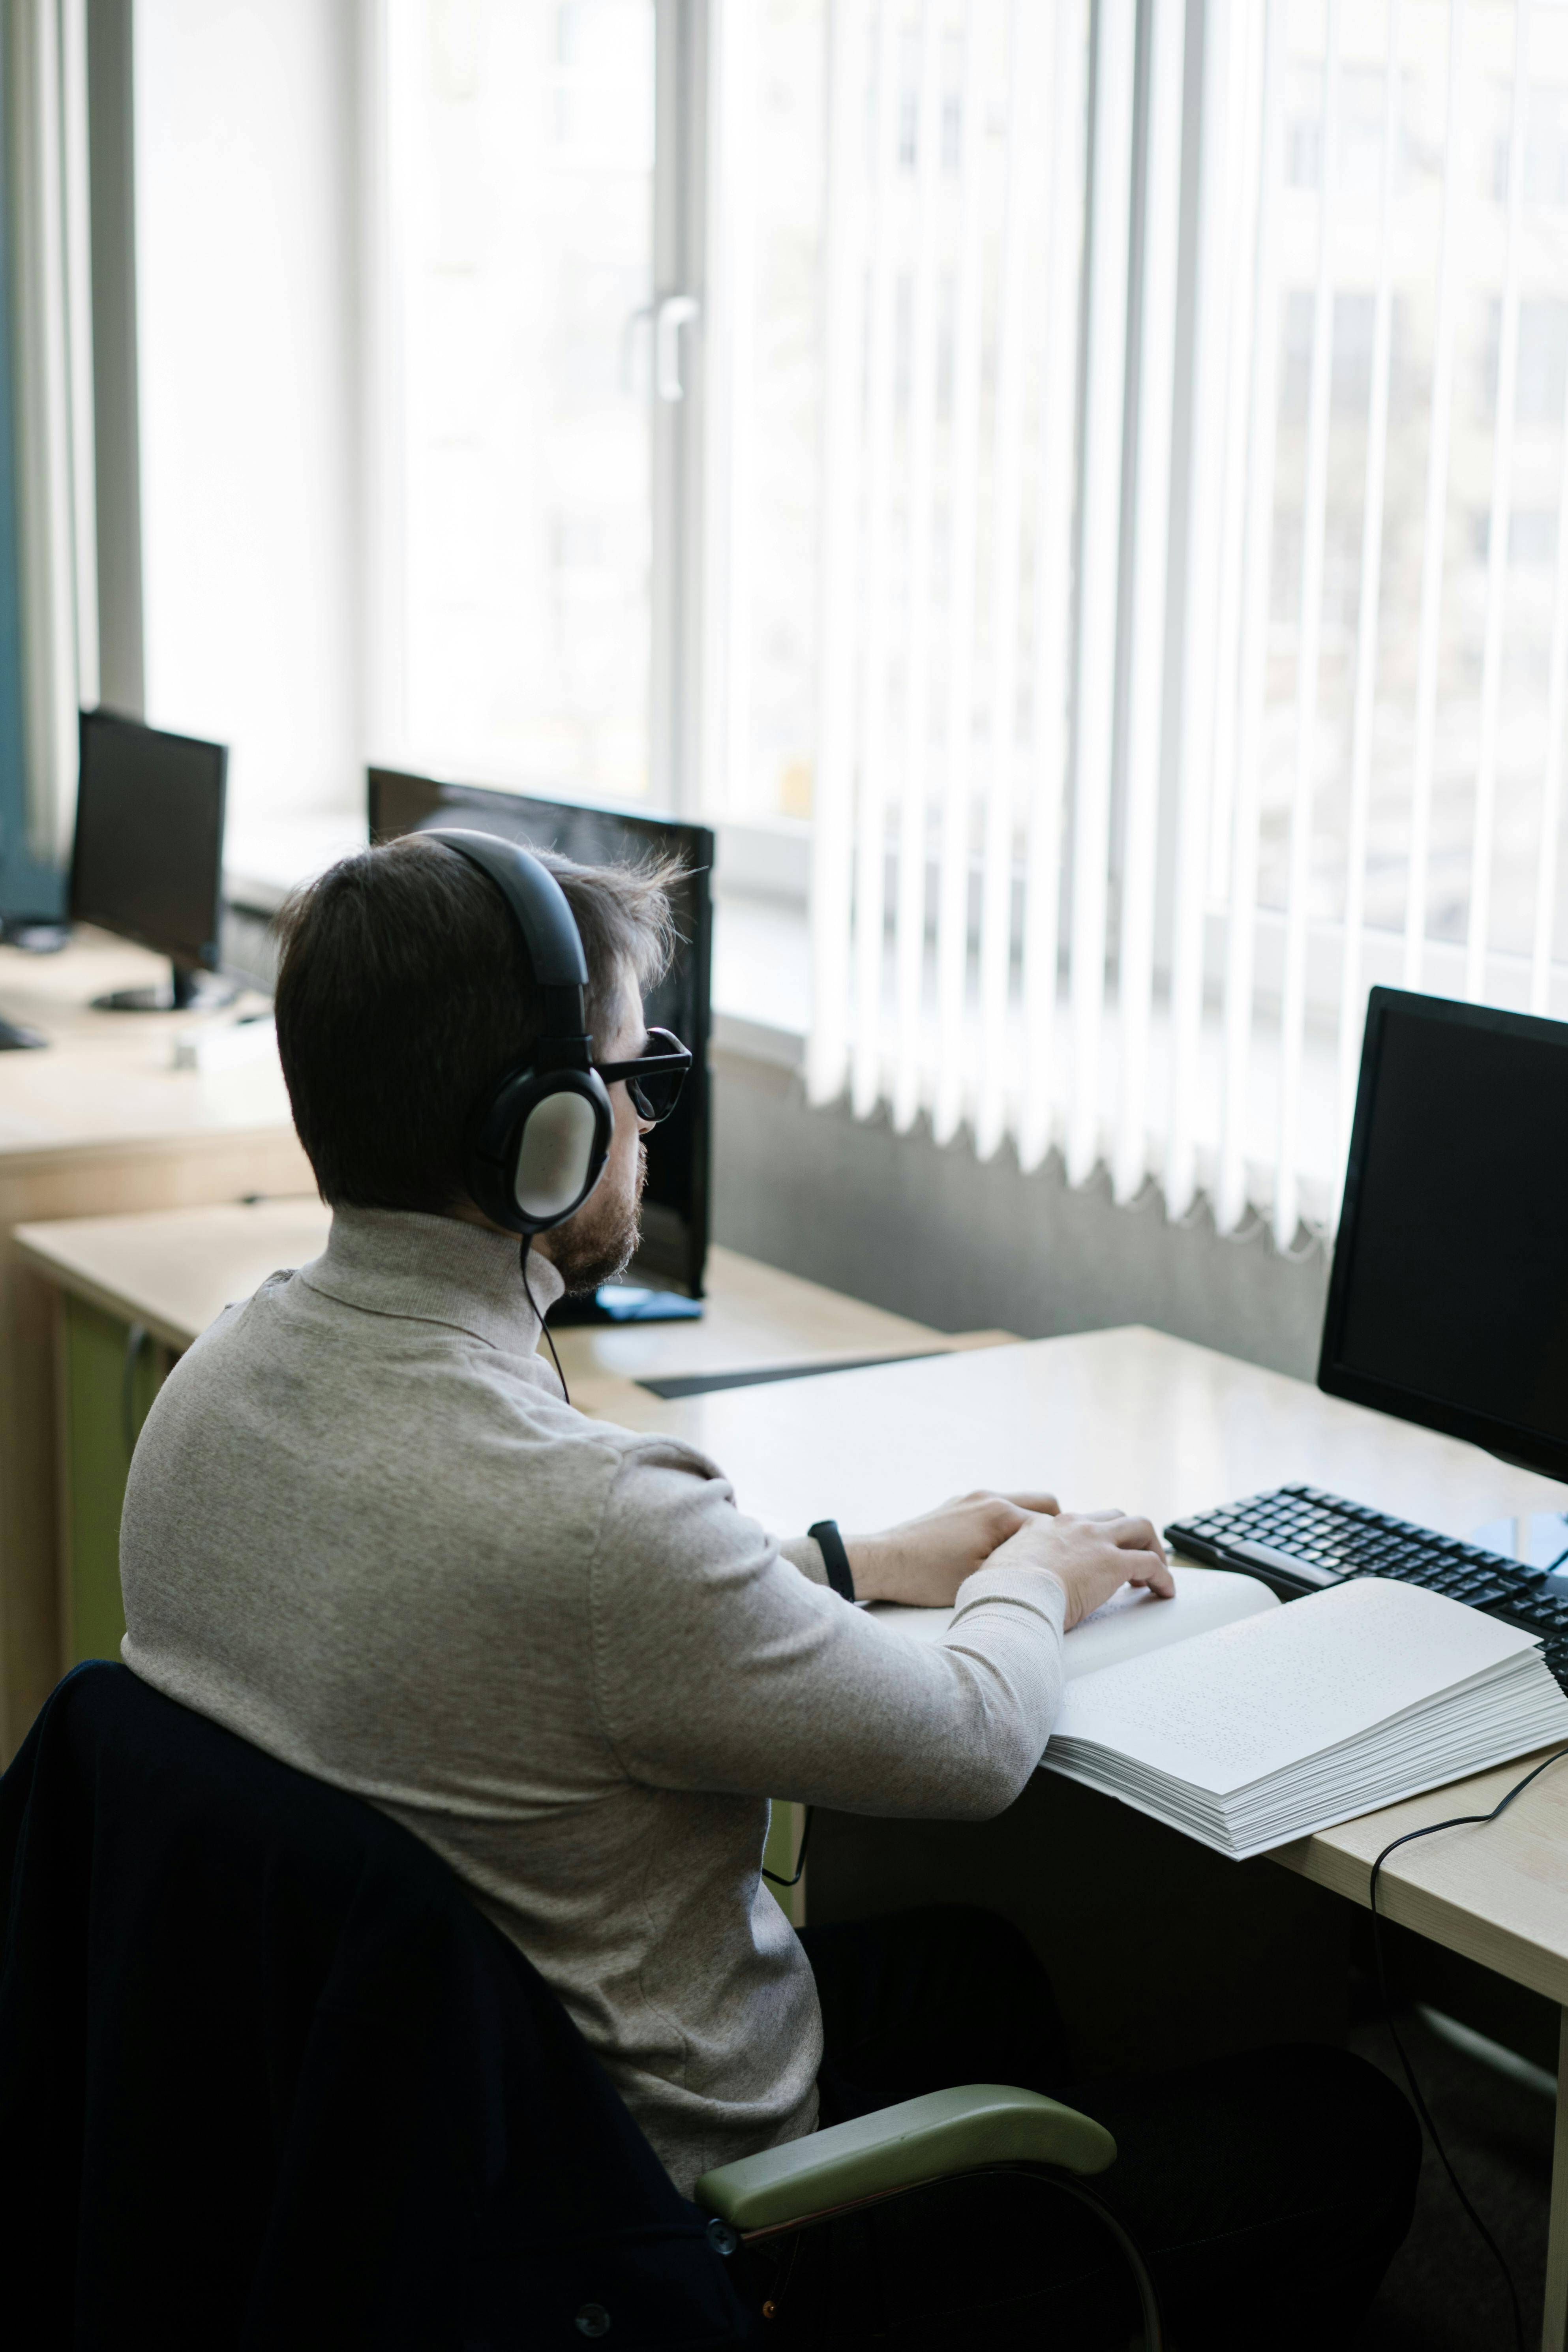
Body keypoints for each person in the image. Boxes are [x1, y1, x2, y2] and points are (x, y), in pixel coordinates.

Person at [118, 833, 1418, 2346]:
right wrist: (1030, 1581)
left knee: (980, 1969)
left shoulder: (215, 1387)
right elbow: (968, 1746)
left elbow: (499, 1612)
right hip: (651, 2242)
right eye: (631, 1075)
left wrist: (855, 1563)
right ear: (535, 1135)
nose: (644, 1120)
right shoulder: (599, 1522)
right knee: (1343, 2129)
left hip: (390, 2155)